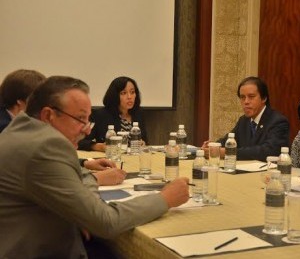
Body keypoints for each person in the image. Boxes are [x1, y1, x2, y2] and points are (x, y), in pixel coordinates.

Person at [0, 76, 189, 258]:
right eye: (81, 119)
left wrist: (83, 207)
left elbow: (80, 178)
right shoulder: (45, 147)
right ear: (48, 115)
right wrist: (165, 198)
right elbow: (105, 222)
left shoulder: (20, 130)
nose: (88, 129)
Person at [203, 76, 289, 162]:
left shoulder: (278, 121)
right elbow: (228, 140)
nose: (246, 102)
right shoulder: (244, 120)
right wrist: (213, 146)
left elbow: (268, 151)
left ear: (264, 98)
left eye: (251, 97)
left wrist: (226, 152)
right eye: (242, 97)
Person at [78, 76, 147, 151]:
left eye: (132, 92)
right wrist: (99, 146)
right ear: (115, 96)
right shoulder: (100, 115)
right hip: (110, 158)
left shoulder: (139, 113)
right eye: (123, 93)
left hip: (134, 157)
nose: (129, 97)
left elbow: (145, 140)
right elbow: (80, 142)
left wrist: (143, 143)